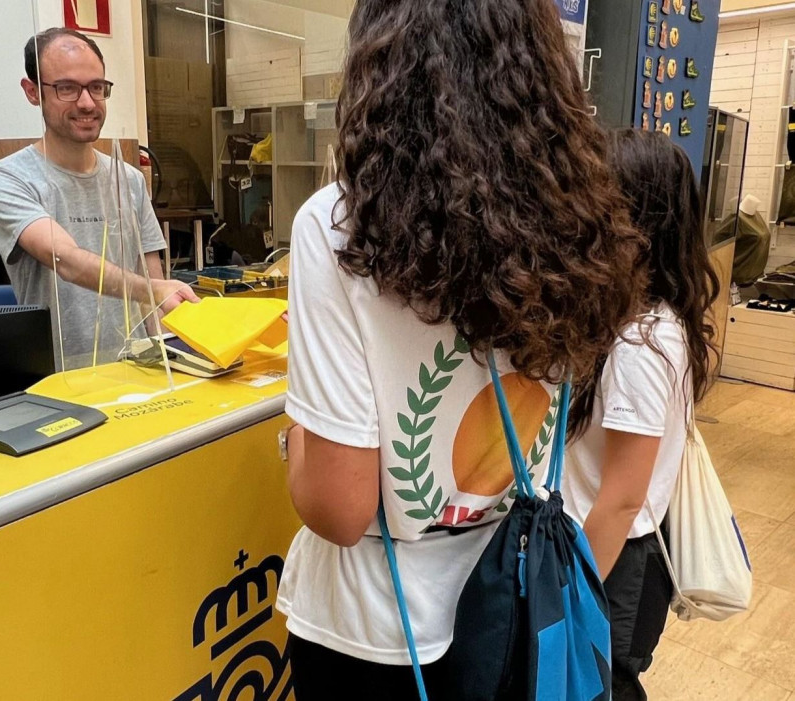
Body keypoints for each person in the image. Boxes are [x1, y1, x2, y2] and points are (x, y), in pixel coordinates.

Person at [275, 1, 647, 699]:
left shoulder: (338, 227)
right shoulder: (580, 216)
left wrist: (295, 441)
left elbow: (338, 507)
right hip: (518, 603)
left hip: (380, 634)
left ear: (378, 69)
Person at [563, 129, 720, 701]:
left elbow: (623, 496)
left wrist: (573, 592)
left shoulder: (638, 342)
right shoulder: (653, 321)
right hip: (621, 553)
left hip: (616, 562)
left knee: (605, 685)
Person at [0, 27, 196, 370]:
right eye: (67, 88)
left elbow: (154, 290)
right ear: (33, 92)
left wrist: (173, 363)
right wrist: (151, 290)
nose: (87, 102)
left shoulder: (130, 180)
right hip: (59, 380)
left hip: (139, 372)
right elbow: (65, 258)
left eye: (97, 87)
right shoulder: (7, 178)